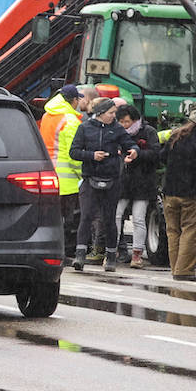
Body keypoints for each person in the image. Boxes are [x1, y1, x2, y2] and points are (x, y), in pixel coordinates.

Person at [69, 97, 139, 272]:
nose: (114, 116)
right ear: (100, 113)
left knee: (109, 219)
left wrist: (134, 151)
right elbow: (74, 152)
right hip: (90, 178)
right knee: (86, 217)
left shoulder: (117, 129)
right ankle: (80, 255)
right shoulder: (85, 128)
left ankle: (111, 257)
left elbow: (130, 144)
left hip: (112, 180)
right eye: (111, 113)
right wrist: (92, 156)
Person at [163, 105, 196, 282]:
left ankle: (175, 268)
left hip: (170, 190)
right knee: (190, 231)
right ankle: (184, 271)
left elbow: (162, 157)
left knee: (173, 231)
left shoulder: (177, 135)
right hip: (191, 193)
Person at [40, 84, 88, 261]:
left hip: (48, 173)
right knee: (69, 219)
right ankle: (66, 252)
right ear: (74, 100)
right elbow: (73, 154)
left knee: (52, 218)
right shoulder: (71, 121)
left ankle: (51, 250)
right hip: (68, 179)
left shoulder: (47, 115)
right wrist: (83, 174)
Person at [115, 104, 161, 268]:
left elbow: (156, 154)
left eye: (127, 122)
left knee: (139, 218)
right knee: (116, 215)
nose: (124, 125)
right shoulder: (117, 133)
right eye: (121, 122)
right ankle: (112, 250)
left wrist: (138, 155)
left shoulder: (149, 132)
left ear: (135, 120)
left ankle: (137, 254)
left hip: (143, 182)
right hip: (123, 182)